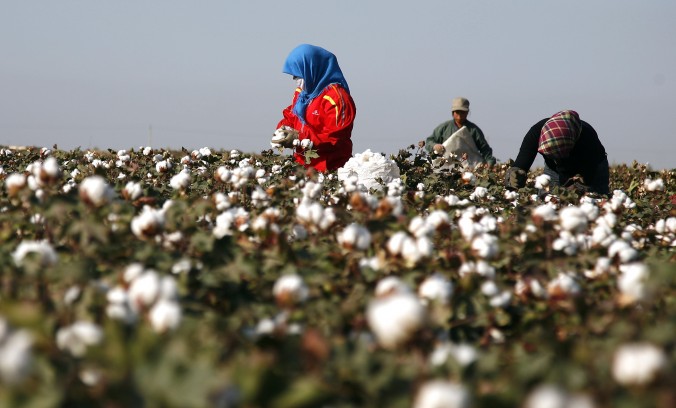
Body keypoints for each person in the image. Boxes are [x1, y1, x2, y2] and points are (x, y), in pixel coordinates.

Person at [272, 44, 356, 172]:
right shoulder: (303, 94)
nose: (295, 79)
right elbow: (292, 116)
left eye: (298, 74)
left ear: (312, 69)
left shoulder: (337, 98)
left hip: (330, 169)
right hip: (302, 167)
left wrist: (299, 138)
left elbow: (335, 139)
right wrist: (283, 130)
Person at [505, 110, 609, 194]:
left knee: (592, 201)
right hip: (553, 171)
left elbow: (587, 177)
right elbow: (523, 159)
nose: (557, 160)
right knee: (550, 202)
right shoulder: (537, 131)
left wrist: (574, 190)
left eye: (558, 156)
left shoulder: (588, 141)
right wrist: (516, 173)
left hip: (593, 170)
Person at [425, 97, 496, 165]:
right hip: (445, 166)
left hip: (469, 166)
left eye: (462, 112)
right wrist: (434, 146)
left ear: (467, 112)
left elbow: (485, 150)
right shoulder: (444, 128)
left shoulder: (474, 130)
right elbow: (429, 141)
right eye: (457, 112)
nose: (460, 115)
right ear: (453, 113)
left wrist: (489, 163)